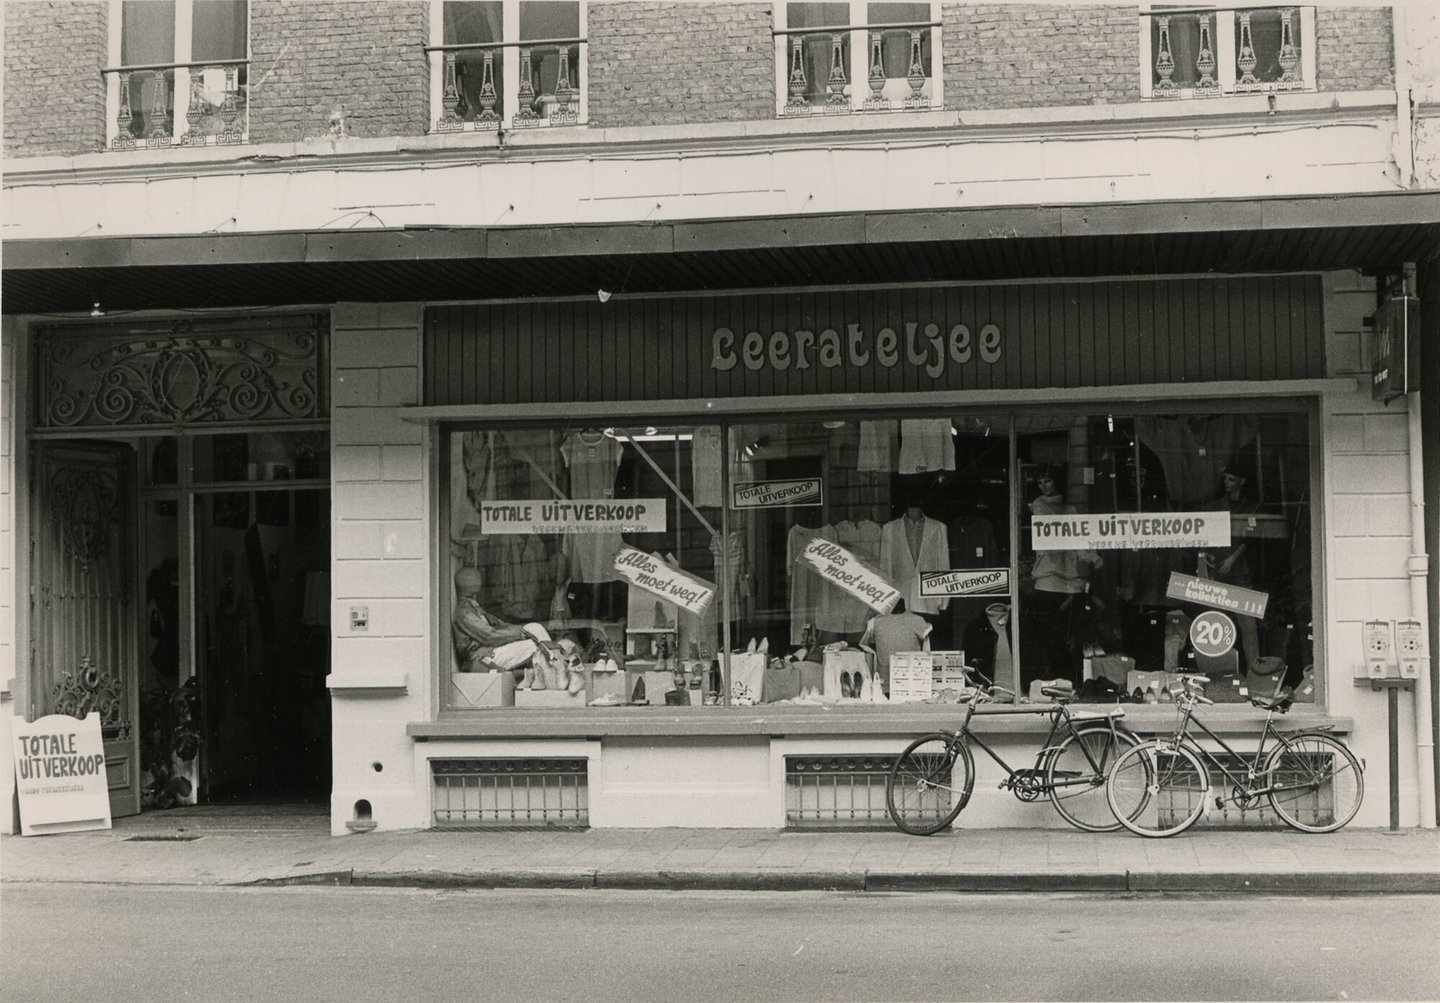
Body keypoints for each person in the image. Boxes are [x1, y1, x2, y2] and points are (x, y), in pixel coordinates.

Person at [452, 565, 570, 690]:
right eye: (475, 578)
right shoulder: (464, 612)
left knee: (534, 627)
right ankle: (556, 678)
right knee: (536, 646)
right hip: (484, 657)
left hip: (492, 649)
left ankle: (557, 666)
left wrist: (524, 629)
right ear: (466, 582)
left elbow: (502, 625)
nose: (479, 581)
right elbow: (489, 636)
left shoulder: (475, 607)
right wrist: (520, 634)